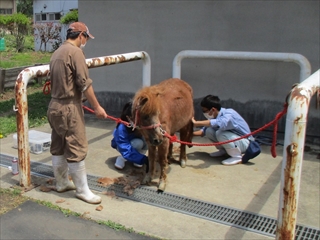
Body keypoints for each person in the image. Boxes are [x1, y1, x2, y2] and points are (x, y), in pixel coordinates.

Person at [47, 22, 108, 204]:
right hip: (69, 108)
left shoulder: (56, 52)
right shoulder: (76, 53)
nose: (86, 41)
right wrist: (97, 107)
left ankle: (62, 182)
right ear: (81, 35)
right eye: (86, 38)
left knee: (58, 145)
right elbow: (84, 83)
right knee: (76, 147)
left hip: (54, 106)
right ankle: (83, 191)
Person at [192, 94, 253, 166]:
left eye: (205, 111)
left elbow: (221, 123)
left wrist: (196, 123)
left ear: (213, 109)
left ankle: (236, 157)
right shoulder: (213, 117)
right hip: (235, 140)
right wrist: (189, 134)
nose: (204, 113)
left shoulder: (229, 113)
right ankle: (224, 151)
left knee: (220, 133)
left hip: (246, 143)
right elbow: (203, 131)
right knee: (209, 131)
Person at [111, 101, 148, 170]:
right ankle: (121, 159)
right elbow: (123, 146)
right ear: (128, 117)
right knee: (138, 143)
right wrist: (143, 159)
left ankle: (137, 158)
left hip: (132, 142)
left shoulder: (140, 124)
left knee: (147, 139)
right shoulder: (121, 127)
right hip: (121, 146)